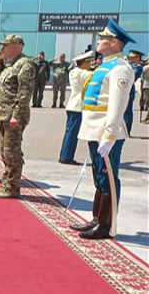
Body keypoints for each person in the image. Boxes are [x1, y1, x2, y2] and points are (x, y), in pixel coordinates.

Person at [71, 19, 135, 240]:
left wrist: (109, 134)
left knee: (108, 177)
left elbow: (118, 105)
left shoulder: (121, 68)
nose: (99, 41)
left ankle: (107, 226)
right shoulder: (105, 65)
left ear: (115, 43)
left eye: (104, 38)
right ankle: (97, 218)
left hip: (106, 132)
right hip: (94, 129)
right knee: (99, 176)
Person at [0, 34, 35, 198]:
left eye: (6, 45)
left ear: (17, 46)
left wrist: (16, 115)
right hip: (3, 115)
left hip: (13, 117)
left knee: (12, 153)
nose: (2, 48)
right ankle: (6, 184)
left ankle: (13, 187)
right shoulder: (10, 65)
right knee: (5, 151)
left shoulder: (25, 65)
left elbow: (24, 93)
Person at [59, 51, 94, 165]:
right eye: (88, 63)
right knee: (73, 133)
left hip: (72, 104)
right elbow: (95, 75)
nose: (90, 65)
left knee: (69, 131)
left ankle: (64, 155)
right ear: (83, 63)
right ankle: (67, 157)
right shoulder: (82, 73)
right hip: (78, 106)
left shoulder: (74, 71)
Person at [124, 49, 144, 134]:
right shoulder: (130, 65)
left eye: (133, 57)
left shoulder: (138, 67)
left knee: (128, 110)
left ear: (138, 57)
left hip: (129, 89)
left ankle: (127, 129)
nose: (130, 59)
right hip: (125, 89)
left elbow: (132, 76)